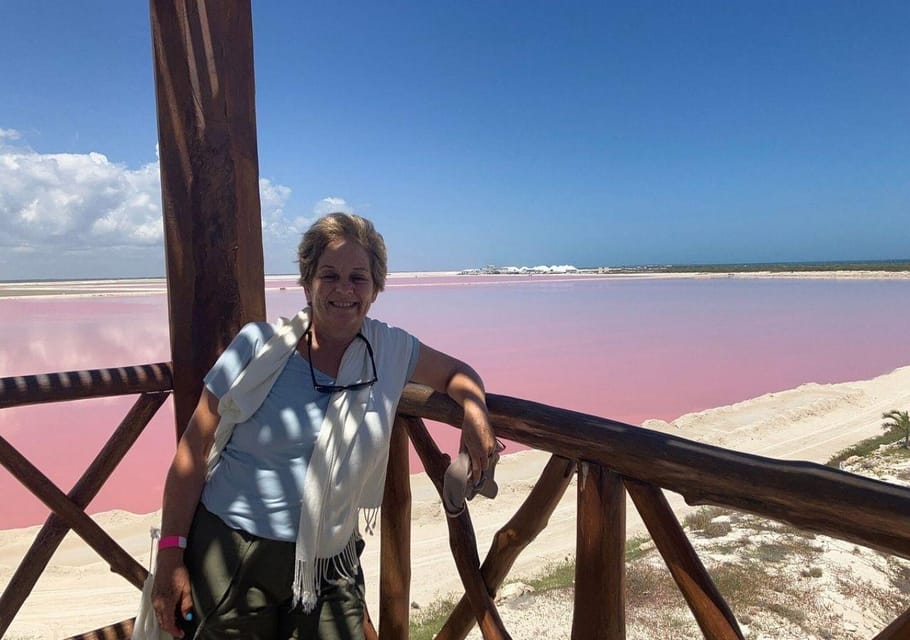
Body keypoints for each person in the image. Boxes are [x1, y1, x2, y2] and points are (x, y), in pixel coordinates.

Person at [151, 213, 497, 639]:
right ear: (307, 281)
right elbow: (192, 452)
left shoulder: (389, 349)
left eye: (358, 277)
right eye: (329, 275)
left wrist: (475, 411)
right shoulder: (257, 347)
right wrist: (170, 554)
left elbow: (457, 374)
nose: (343, 289)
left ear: (375, 289)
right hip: (235, 551)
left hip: (330, 558)